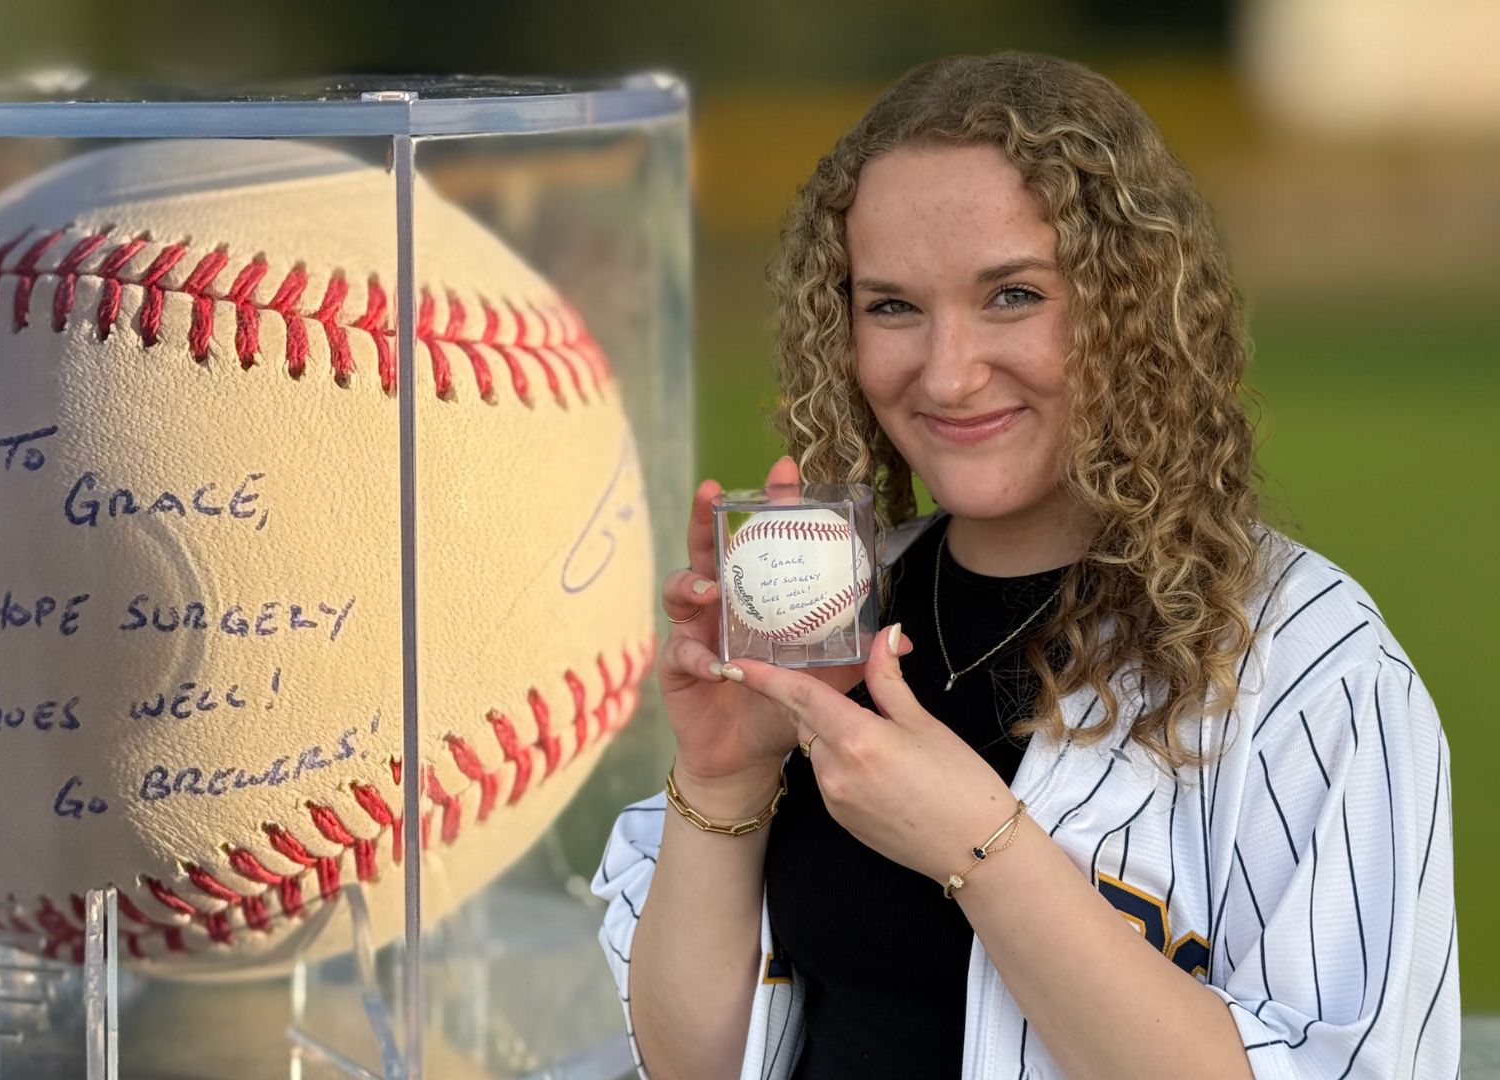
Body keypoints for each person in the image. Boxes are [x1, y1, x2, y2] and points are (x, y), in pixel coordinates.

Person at [592, 52, 1459, 1079]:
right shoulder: (833, 622)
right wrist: (724, 777)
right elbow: (695, 1064)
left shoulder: (1312, 664)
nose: (949, 374)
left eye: (1012, 295)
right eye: (892, 306)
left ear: (1132, 308)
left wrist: (977, 845)